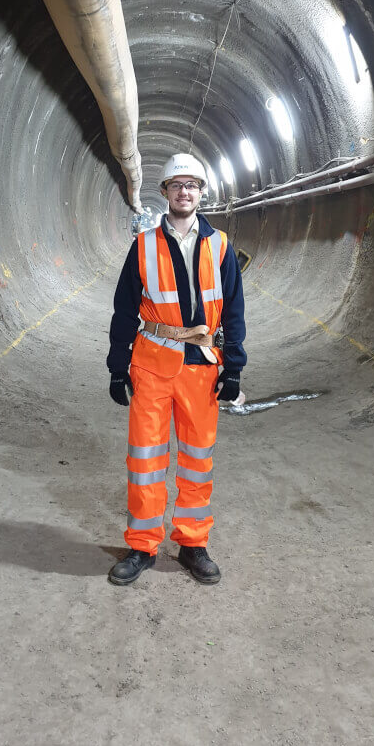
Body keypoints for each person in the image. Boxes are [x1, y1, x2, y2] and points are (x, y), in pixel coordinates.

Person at [106, 152, 247, 586]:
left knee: (196, 461)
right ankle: (143, 545)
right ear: (165, 192)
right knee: (146, 460)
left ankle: (192, 544)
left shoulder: (220, 245)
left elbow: (234, 311)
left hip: (202, 366)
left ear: (202, 193)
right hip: (151, 364)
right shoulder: (144, 245)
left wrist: (235, 366)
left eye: (192, 185)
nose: (184, 192)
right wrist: (117, 366)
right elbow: (125, 309)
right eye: (176, 185)